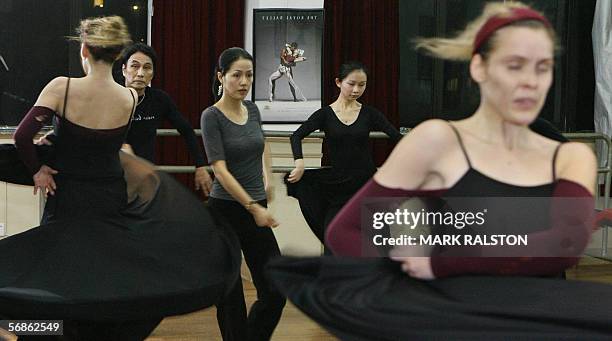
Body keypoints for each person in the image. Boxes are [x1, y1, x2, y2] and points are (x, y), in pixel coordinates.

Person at [267, 3, 612, 339]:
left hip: (539, 315)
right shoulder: (436, 143)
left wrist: (446, 259)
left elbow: (564, 241)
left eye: (543, 67)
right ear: (479, 68)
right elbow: (346, 232)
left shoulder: (563, 152)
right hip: (465, 315)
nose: (530, 81)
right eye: (514, 65)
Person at [1, 16, 240, 340]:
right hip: (109, 198)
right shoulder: (129, 99)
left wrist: (39, 169)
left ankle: (48, 332)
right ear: (118, 57)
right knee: (100, 272)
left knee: (57, 274)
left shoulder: (62, 87)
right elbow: (101, 145)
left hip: (68, 196)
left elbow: (22, 137)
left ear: (84, 49)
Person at [201, 47, 285, 341]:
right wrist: (253, 207)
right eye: (236, 75)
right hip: (225, 210)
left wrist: (269, 175)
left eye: (249, 75)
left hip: (255, 206)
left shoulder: (253, 110)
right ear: (221, 77)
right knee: (230, 296)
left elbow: (263, 143)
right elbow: (220, 171)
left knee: (275, 290)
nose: (244, 81)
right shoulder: (211, 116)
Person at [287, 61, 403, 246]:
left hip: (365, 185)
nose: (356, 89)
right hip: (338, 187)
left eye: (362, 85)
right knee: (334, 238)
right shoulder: (325, 114)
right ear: (338, 82)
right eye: (351, 84)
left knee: (373, 241)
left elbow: (397, 137)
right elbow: (296, 136)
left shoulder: (369, 114)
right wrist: (299, 163)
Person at [120, 43, 212, 195]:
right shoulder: (112, 97)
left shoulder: (159, 100)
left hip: (145, 177)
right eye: (134, 66)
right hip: (115, 175)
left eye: (147, 67)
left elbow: (187, 130)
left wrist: (200, 166)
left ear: (153, 73)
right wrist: (122, 145)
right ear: (124, 69)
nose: (140, 73)